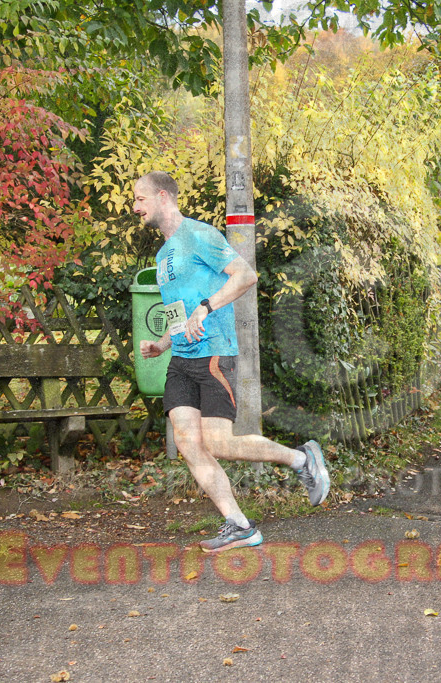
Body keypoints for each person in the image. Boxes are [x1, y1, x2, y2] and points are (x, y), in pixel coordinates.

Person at [134, 171, 330, 553]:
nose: (136, 207)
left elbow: (245, 275)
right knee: (189, 444)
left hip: (214, 353)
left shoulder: (198, 235)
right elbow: (179, 311)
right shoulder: (161, 255)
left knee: (220, 442)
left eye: (140, 199)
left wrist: (208, 307)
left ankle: (301, 459)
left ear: (162, 196)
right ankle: (239, 525)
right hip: (181, 361)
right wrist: (161, 344)